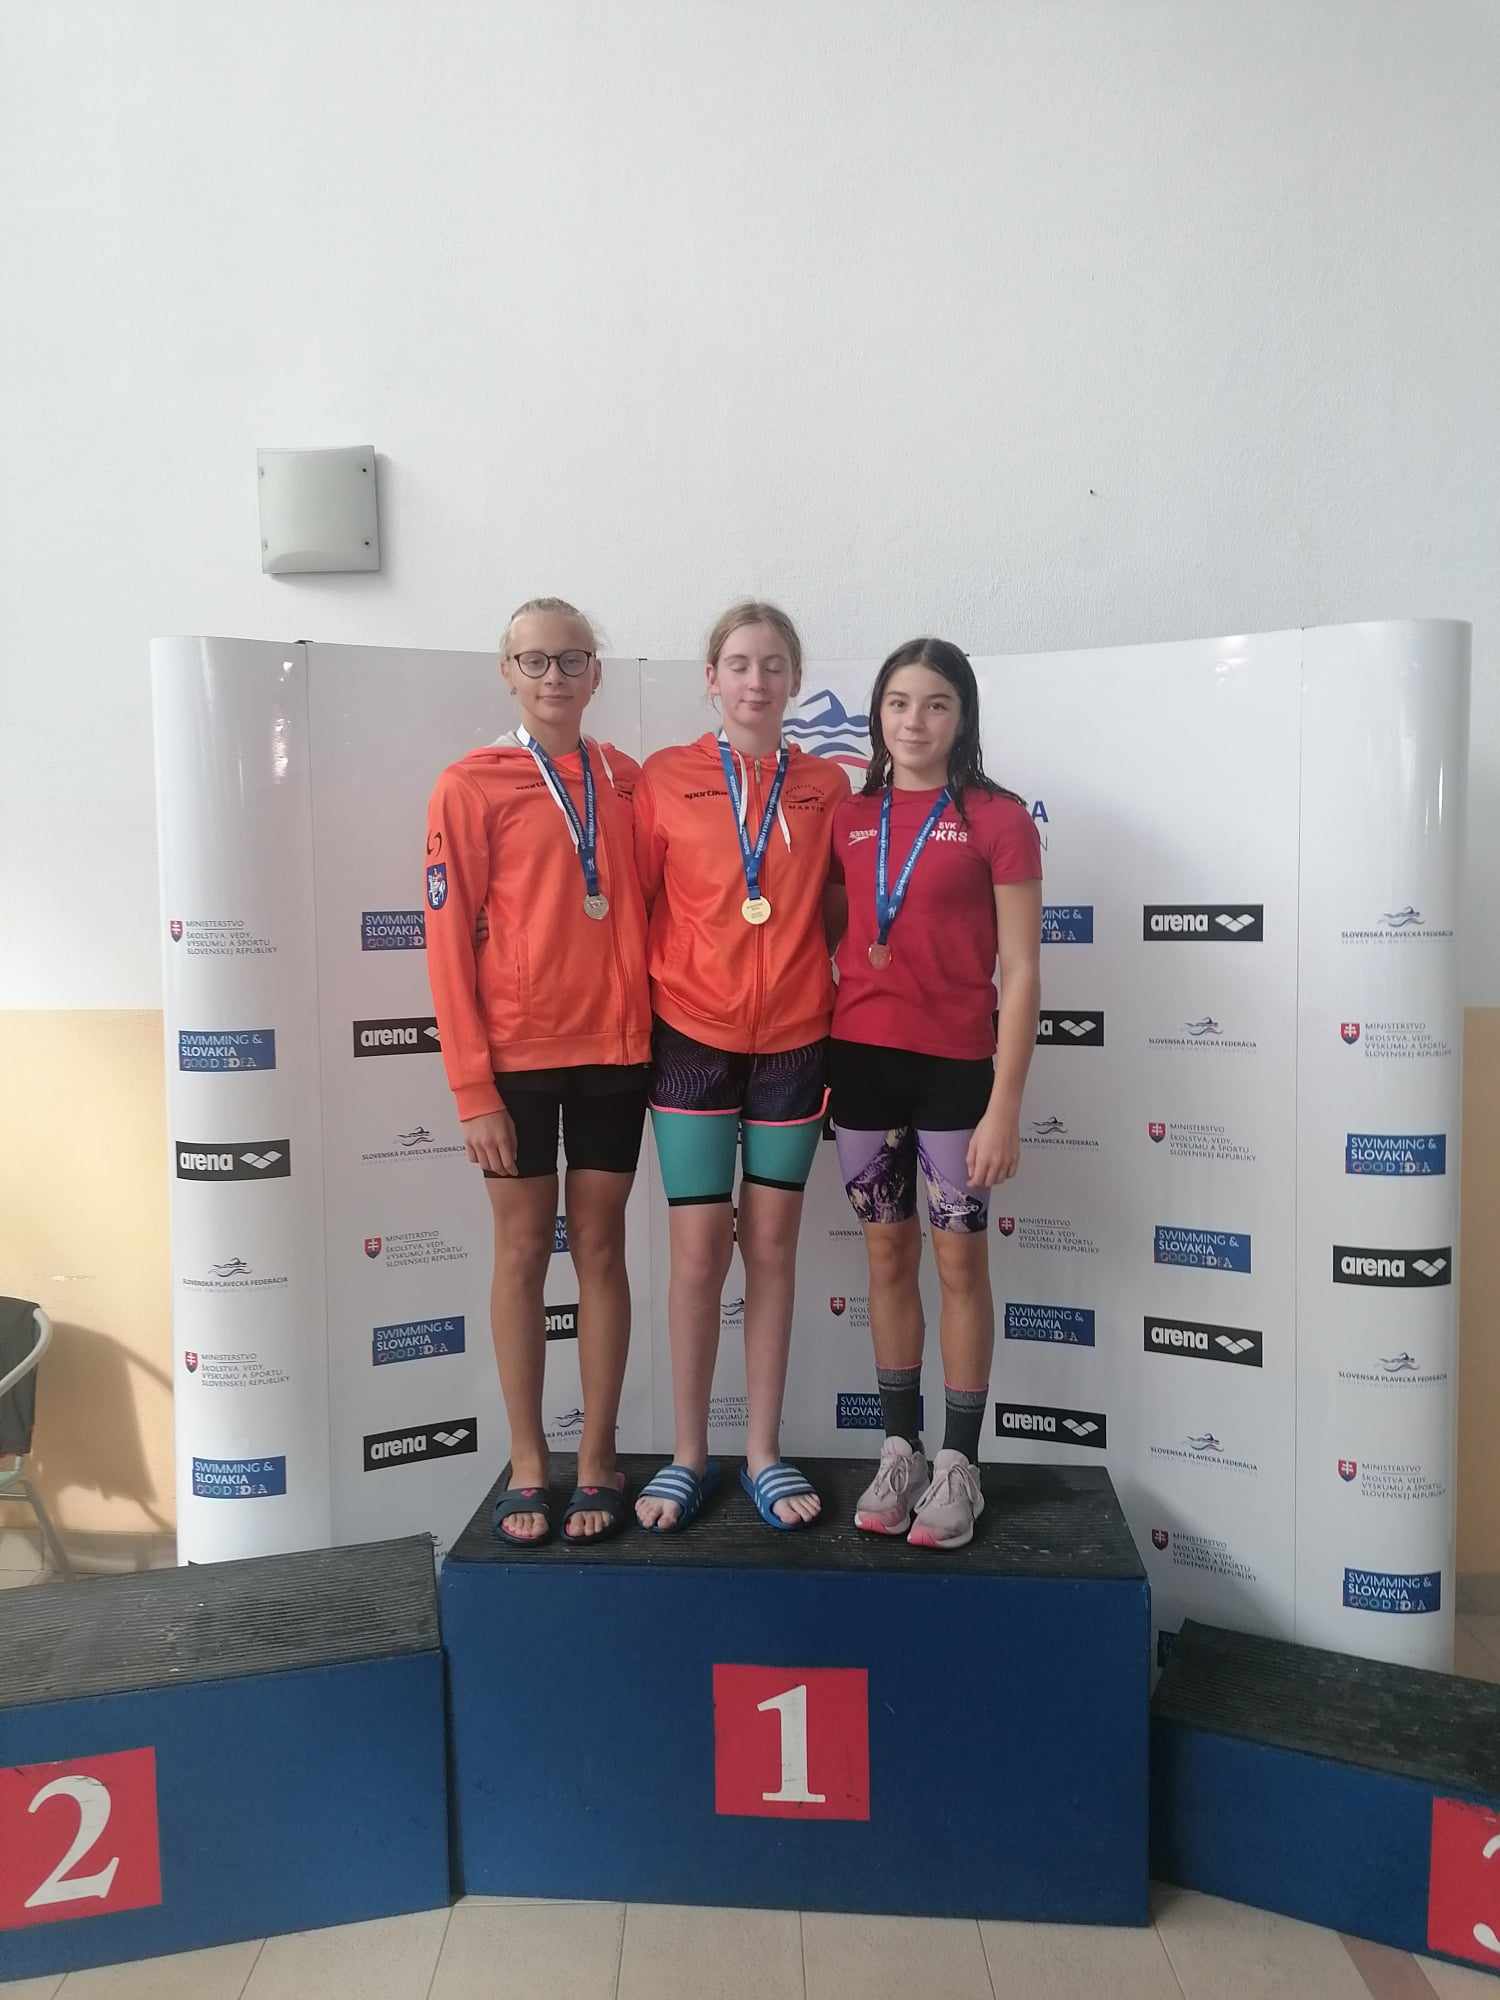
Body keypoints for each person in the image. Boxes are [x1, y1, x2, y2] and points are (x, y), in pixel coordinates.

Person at [424, 597, 651, 1546]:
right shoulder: (468, 785)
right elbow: (446, 945)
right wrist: (471, 1088)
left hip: (616, 1053)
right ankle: (528, 1460)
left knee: (600, 1249)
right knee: (521, 1253)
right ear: (507, 672)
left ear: (596, 672)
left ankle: (597, 1455)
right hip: (515, 1062)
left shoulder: (627, 779)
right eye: (535, 660)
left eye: (572, 659)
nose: (555, 676)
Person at [632, 602, 850, 1531]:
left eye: (773, 664)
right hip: (691, 1038)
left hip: (796, 1041)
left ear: (795, 678)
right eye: (738, 663)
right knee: (696, 1255)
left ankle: (762, 1450)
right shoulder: (665, 778)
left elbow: (837, 907)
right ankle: (688, 1452)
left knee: (770, 1248)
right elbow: (640, 903)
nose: (756, 681)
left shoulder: (829, 784)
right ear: (711, 678)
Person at [828, 638, 1042, 1549]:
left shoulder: (999, 818)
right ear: (878, 713)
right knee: (886, 1258)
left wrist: (1005, 1104)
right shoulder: (849, 816)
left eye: (936, 704)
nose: (914, 721)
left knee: (959, 1265)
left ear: (964, 716)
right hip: (860, 1064)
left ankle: (959, 1463)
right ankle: (900, 1450)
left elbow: (1022, 972)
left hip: (957, 1071)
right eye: (898, 703)